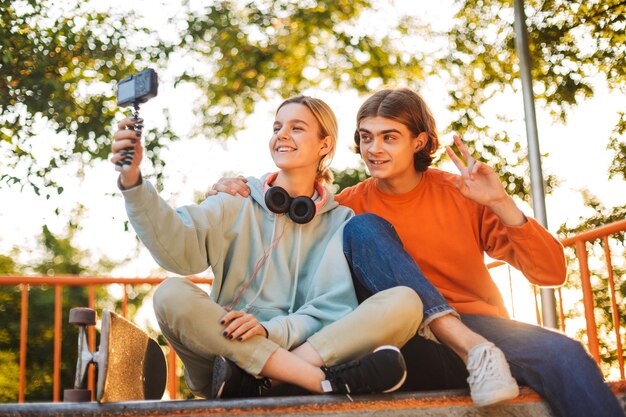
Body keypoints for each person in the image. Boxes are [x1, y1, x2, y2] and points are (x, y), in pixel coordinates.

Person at [209, 88, 625, 416]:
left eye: (389, 137)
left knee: (567, 355)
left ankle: (471, 348)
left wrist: (501, 202)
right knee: (363, 228)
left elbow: (551, 273)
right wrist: (236, 189)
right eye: (366, 137)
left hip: (481, 333)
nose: (374, 149)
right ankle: (464, 347)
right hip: (399, 340)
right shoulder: (348, 205)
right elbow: (284, 230)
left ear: (419, 141)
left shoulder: (461, 193)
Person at [110, 95, 424, 400]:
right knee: (170, 293)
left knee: (406, 301)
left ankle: (268, 380)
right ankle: (319, 381)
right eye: (277, 128)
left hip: (290, 354)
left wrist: (268, 330)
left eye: (296, 128)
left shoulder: (340, 221)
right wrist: (133, 182)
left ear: (324, 145)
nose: (281, 135)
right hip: (225, 358)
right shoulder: (237, 198)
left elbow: (329, 310)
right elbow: (177, 249)